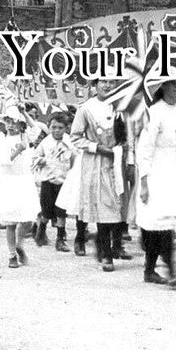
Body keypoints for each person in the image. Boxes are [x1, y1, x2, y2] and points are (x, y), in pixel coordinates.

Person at [135, 77, 176, 287]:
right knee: (157, 222)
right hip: (157, 169)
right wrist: (144, 183)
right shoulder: (155, 111)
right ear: (163, 87)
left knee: (168, 221)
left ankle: (151, 269)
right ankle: (167, 269)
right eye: (173, 83)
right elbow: (145, 149)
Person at [61, 78, 125, 269]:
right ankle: (106, 253)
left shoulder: (121, 106)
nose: (107, 86)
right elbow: (75, 137)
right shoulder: (86, 108)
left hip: (117, 160)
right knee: (103, 205)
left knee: (117, 206)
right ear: (95, 85)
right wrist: (96, 147)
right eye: (103, 81)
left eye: (112, 82)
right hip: (96, 161)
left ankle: (113, 246)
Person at [0, 109, 39, 268]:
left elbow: (36, 130)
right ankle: (11, 254)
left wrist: (24, 113)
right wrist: (18, 151)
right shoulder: (0, 140)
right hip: (8, 181)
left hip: (24, 180)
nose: (10, 125)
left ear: (21, 124)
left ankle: (19, 244)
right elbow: (3, 160)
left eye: (14, 122)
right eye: (8, 122)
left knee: (26, 218)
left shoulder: (25, 137)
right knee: (10, 222)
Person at [32, 112, 75, 252]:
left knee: (61, 212)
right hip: (48, 181)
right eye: (53, 127)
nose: (57, 130)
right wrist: (40, 161)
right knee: (46, 211)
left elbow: (74, 161)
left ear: (66, 128)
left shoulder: (69, 142)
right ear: (49, 127)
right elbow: (35, 157)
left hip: (64, 182)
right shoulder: (45, 142)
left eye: (60, 127)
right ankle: (41, 231)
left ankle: (60, 239)